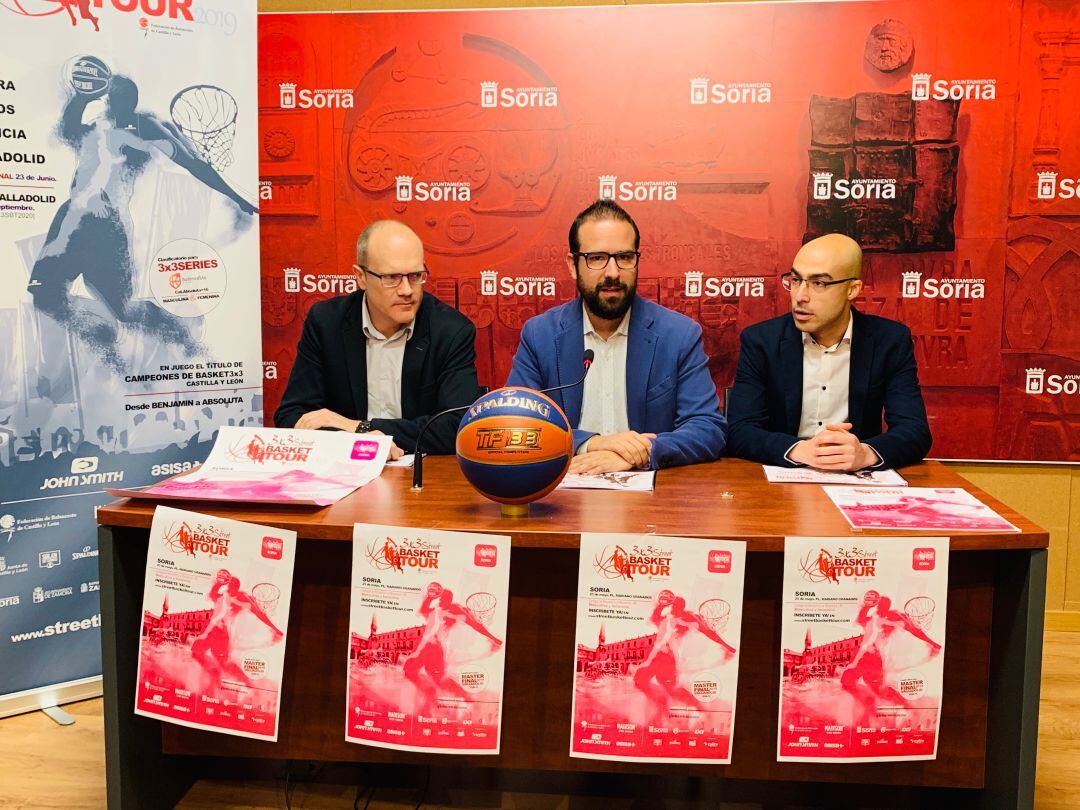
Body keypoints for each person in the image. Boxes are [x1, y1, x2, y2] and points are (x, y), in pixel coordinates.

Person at [28, 73, 256, 374]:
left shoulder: (146, 126)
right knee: (44, 293)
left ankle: (179, 335)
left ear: (125, 100)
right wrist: (80, 96)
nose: (107, 99)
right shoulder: (97, 126)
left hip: (107, 225)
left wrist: (235, 196)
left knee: (123, 311)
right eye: (106, 94)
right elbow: (69, 130)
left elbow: (193, 162)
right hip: (73, 216)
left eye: (112, 95)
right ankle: (104, 340)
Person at [506, 200, 727, 473]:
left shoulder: (678, 334)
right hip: (565, 493)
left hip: (652, 501)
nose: (613, 273)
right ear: (573, 265)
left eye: (624, 257)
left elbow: (707, 428)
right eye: (597, 258)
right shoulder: (540, 335)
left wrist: (641, 454)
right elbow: (518, 423)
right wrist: (591, 444)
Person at [275, 221, 482, 457]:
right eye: (391, 277)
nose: (406, 290)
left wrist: (361, 429)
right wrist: (349, 442)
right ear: (361, 277)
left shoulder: (451, 331)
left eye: (415, 275)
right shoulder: (326, 322)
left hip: (421, 476)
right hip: (345, 471)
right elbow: (293, 416)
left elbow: (458, 426)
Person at [727, 233, 931, 470]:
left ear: (852, 289)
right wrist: (797, 449)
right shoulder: (762, 341)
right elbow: (739, 430)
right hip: (781, 477)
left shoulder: (889, 341)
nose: (800, 296)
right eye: (795, 280)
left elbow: (914, 431)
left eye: (819, 283)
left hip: (854, 480)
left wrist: (865, 454)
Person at [633, 590, 735, 722]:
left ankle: (695, 706)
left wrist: (726, 645)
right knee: (649, 682)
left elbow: (709, 633)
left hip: (666, 657)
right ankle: (681, 705)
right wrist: (662, 603)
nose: (673, 608)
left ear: (680, 607)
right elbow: (655, 616)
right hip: (660, 656)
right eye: (673, 606)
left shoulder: (687, 617)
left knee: (657, 684)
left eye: (676, 606)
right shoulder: (668, 618)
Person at [840, 591, 941, 723]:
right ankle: (878, 705)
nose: (878, 607)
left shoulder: (893, 616)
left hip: (873, 657)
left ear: (884, 606)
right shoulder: (875, 618)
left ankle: (906, 707)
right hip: (868, 656)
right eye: (877, 605)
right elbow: (861, 619)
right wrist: (866, 605)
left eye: (880, 604)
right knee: (848, 683)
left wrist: (932, 643)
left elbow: (914, 630)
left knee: (873, 688)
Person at [402, 583, 502, 715]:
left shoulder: (456, 609)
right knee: (411, 671)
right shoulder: (435, 610)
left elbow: (476, 625)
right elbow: (424, 608)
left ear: (448, 599)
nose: (441, 600)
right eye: (440, 598)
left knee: (427, 675)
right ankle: (434, 695)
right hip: (427, 646)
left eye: (443, 598)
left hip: (434, 647)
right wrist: (430, 596)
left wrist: (493, 637)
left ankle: (464, 698)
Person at [190, 570, 284, 690]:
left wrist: (274, 628)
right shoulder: (224, 596)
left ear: (235, 586)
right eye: (228, 585)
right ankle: (215, 676)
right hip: (213, 630)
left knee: (220, 661)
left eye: (230, 585)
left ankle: (247, 684)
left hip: (221, 632)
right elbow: (213, 593)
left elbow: (259, 613)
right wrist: (219, 582)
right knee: (197, 653)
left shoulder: (242, 597)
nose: (228, 588)